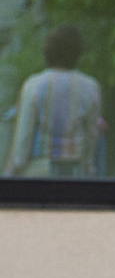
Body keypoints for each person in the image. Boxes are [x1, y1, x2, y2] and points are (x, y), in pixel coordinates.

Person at [9, 25, 107, 175]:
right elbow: (91, 134)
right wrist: (88, 166)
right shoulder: (90, 86)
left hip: (40, 170)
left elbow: (24, 138)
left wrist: (17, 167)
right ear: (78, 52)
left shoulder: (34, 85)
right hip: (75, 171)